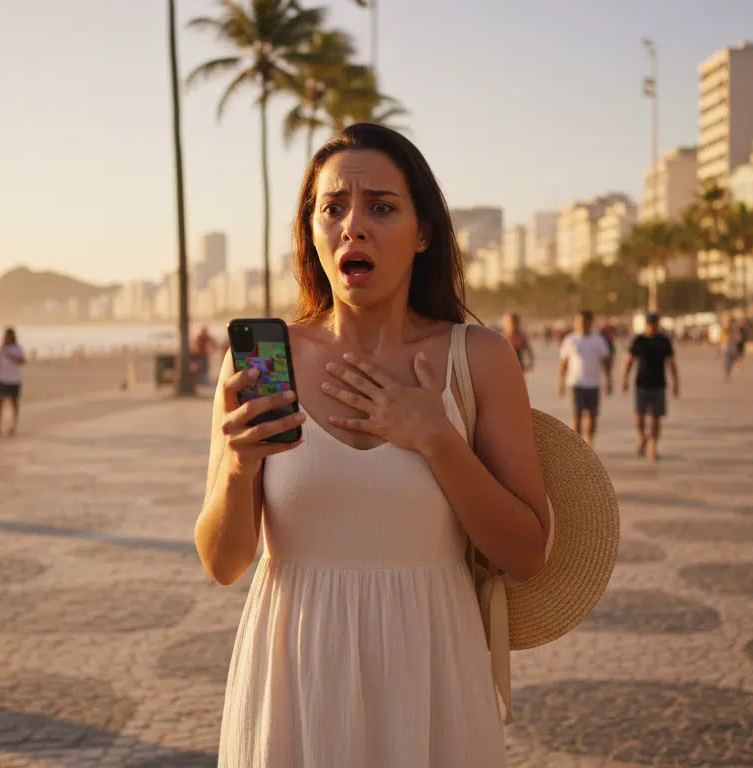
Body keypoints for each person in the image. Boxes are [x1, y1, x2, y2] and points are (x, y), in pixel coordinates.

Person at [195, 123, 549, 767]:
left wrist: (435, 438)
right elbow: (223, 563)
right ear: (312, 233)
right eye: (333, 208)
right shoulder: (263, 364)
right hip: (294, 683)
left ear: (422, 234)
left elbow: (526, 553)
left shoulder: (480, 359)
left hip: (433, 680)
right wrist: (237, 470)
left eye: (381, 207)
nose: (353, 226)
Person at [622, 313, 679, 461]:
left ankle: (652, 445)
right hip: (641, 384)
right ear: (646, 324)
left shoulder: (664, 341)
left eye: (655, 323)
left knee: (656, 418)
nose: (653, 326)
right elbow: (629, 360)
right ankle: (642, 437)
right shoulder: (639, 340)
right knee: (639, 416)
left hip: (659, 385)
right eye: (650, 323)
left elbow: (671, 362)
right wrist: (624, 378)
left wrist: (675, 382)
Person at [556, 309, 612, 446]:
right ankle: (577, 445)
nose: (581, 324)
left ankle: (589, 442)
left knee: (592, 416)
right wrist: (560, 381)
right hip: (576, 383)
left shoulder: (598, 340)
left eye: (585, 321)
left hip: (593, 384)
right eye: (579, 321)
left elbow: (606, 361)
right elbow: (563, 362)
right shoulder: (570, 340)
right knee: (577, 416)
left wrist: (609, 379)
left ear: (590, 322)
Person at [0, 327, 26, 435]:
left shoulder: (17, 348)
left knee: (14, 404)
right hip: (1, 379)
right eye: (5, 335)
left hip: (14, 380)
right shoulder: (1, 349)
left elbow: (22, 361)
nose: (6, 337)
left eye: (7, 335)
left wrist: (10, 355)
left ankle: (13, 425)